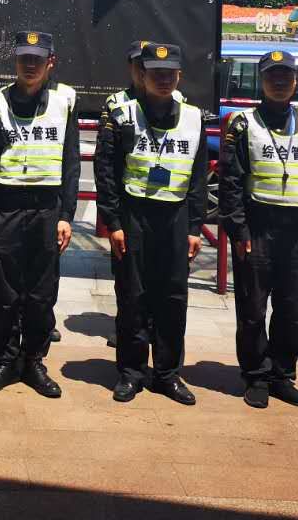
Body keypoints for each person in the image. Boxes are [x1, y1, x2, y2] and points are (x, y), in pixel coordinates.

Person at [219, 49, 298, 409]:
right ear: (262, 81)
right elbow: (230, 182)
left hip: (297, 231)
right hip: (258, 227)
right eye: (272, 76)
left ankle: (282, 375)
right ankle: (256, 375)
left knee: (290, 308)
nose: (280, 81)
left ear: (295, 81)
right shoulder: (244, 124)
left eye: (285, 75)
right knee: (252, 308)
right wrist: (238, 231)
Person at [93, 43, 207, 404]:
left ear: (179, 76)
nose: (163, 79)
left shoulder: (193, 117)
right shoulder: (122, 115)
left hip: (175, 219)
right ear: (142, 75)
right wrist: (113, 222)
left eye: (169, 73)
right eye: (155, 73)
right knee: (132, 297)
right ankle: (131, 372)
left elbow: (199, 178)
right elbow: (106, 171)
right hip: (134, 216)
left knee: (173, 299)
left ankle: (168, 374)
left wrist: (195, 227)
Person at [0, 30, 79, 399]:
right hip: (6, 209)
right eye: (23, 58)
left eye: (37, 59)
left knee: (41, 294)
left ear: (51, 62)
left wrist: (66, 215)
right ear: (14, 61)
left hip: (47, 210)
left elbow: (71, 164)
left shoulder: (64, 102)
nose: (30, 65)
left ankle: (33, 361)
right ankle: (5, 359)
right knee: (5, 292)